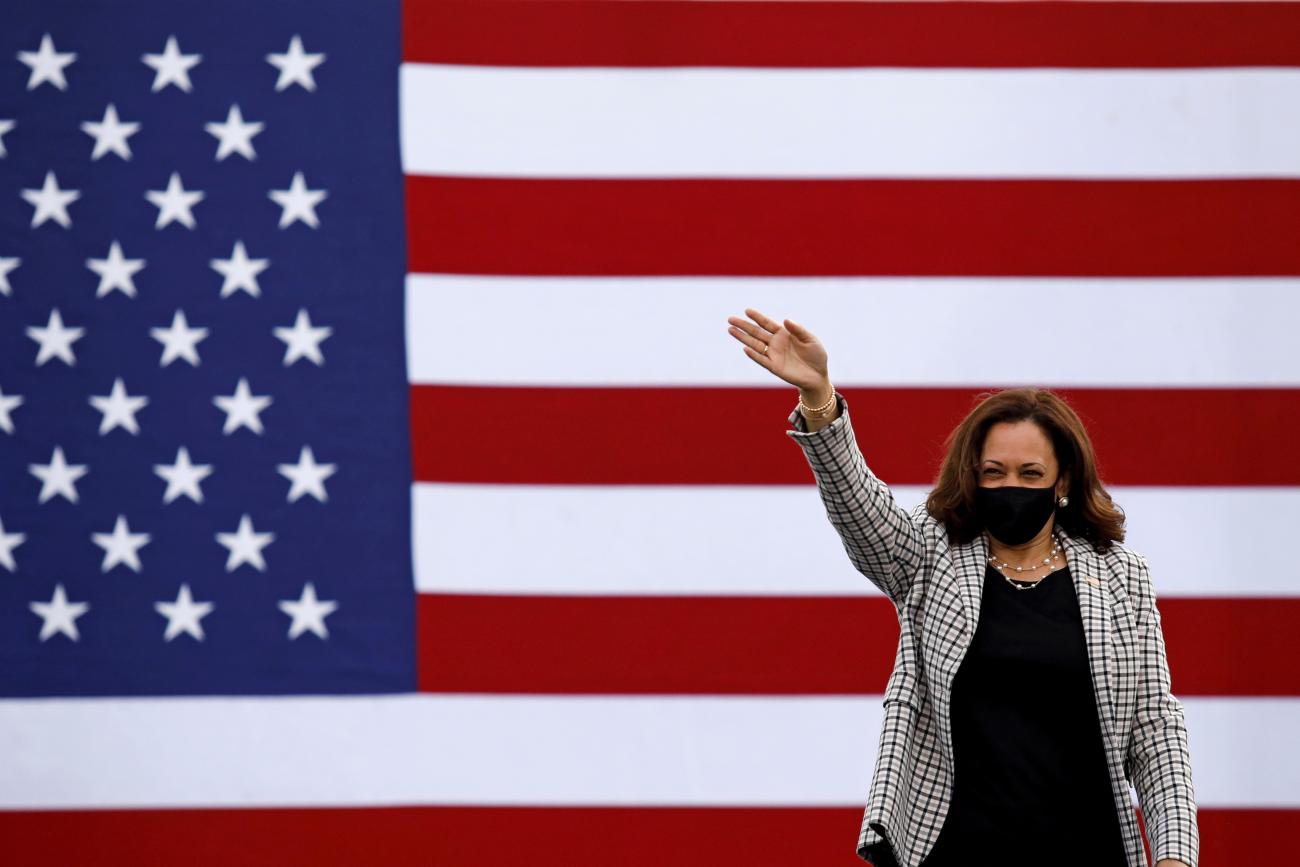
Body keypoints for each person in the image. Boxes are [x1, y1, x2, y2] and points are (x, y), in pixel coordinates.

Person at [725, 308, 1199, 867]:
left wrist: (1173, 856)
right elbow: (860, 512)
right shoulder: (930, 555)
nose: (1009, 487)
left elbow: (1155, 728)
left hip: (1088, 847)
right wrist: (819, 398)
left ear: (1063, 481)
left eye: (1029, 475)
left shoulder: (1121, 574)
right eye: (993, 472)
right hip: (954, 850)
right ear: (971, 476)